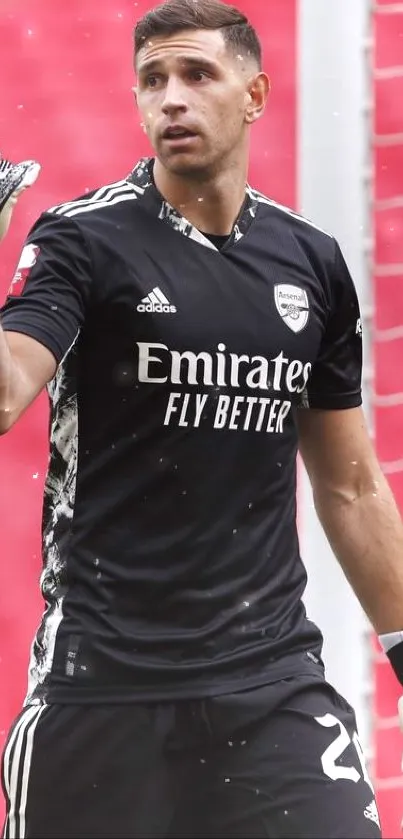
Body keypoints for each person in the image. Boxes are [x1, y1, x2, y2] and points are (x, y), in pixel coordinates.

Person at [1, 0, 403, 835]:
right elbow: (6, 394)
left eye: (196, 75)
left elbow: (353, 486)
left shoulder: (310, 263)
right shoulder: (83, 241)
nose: (171, 99)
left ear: (253, 95)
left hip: (270, 685)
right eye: (152, 81)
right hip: (101, 690)